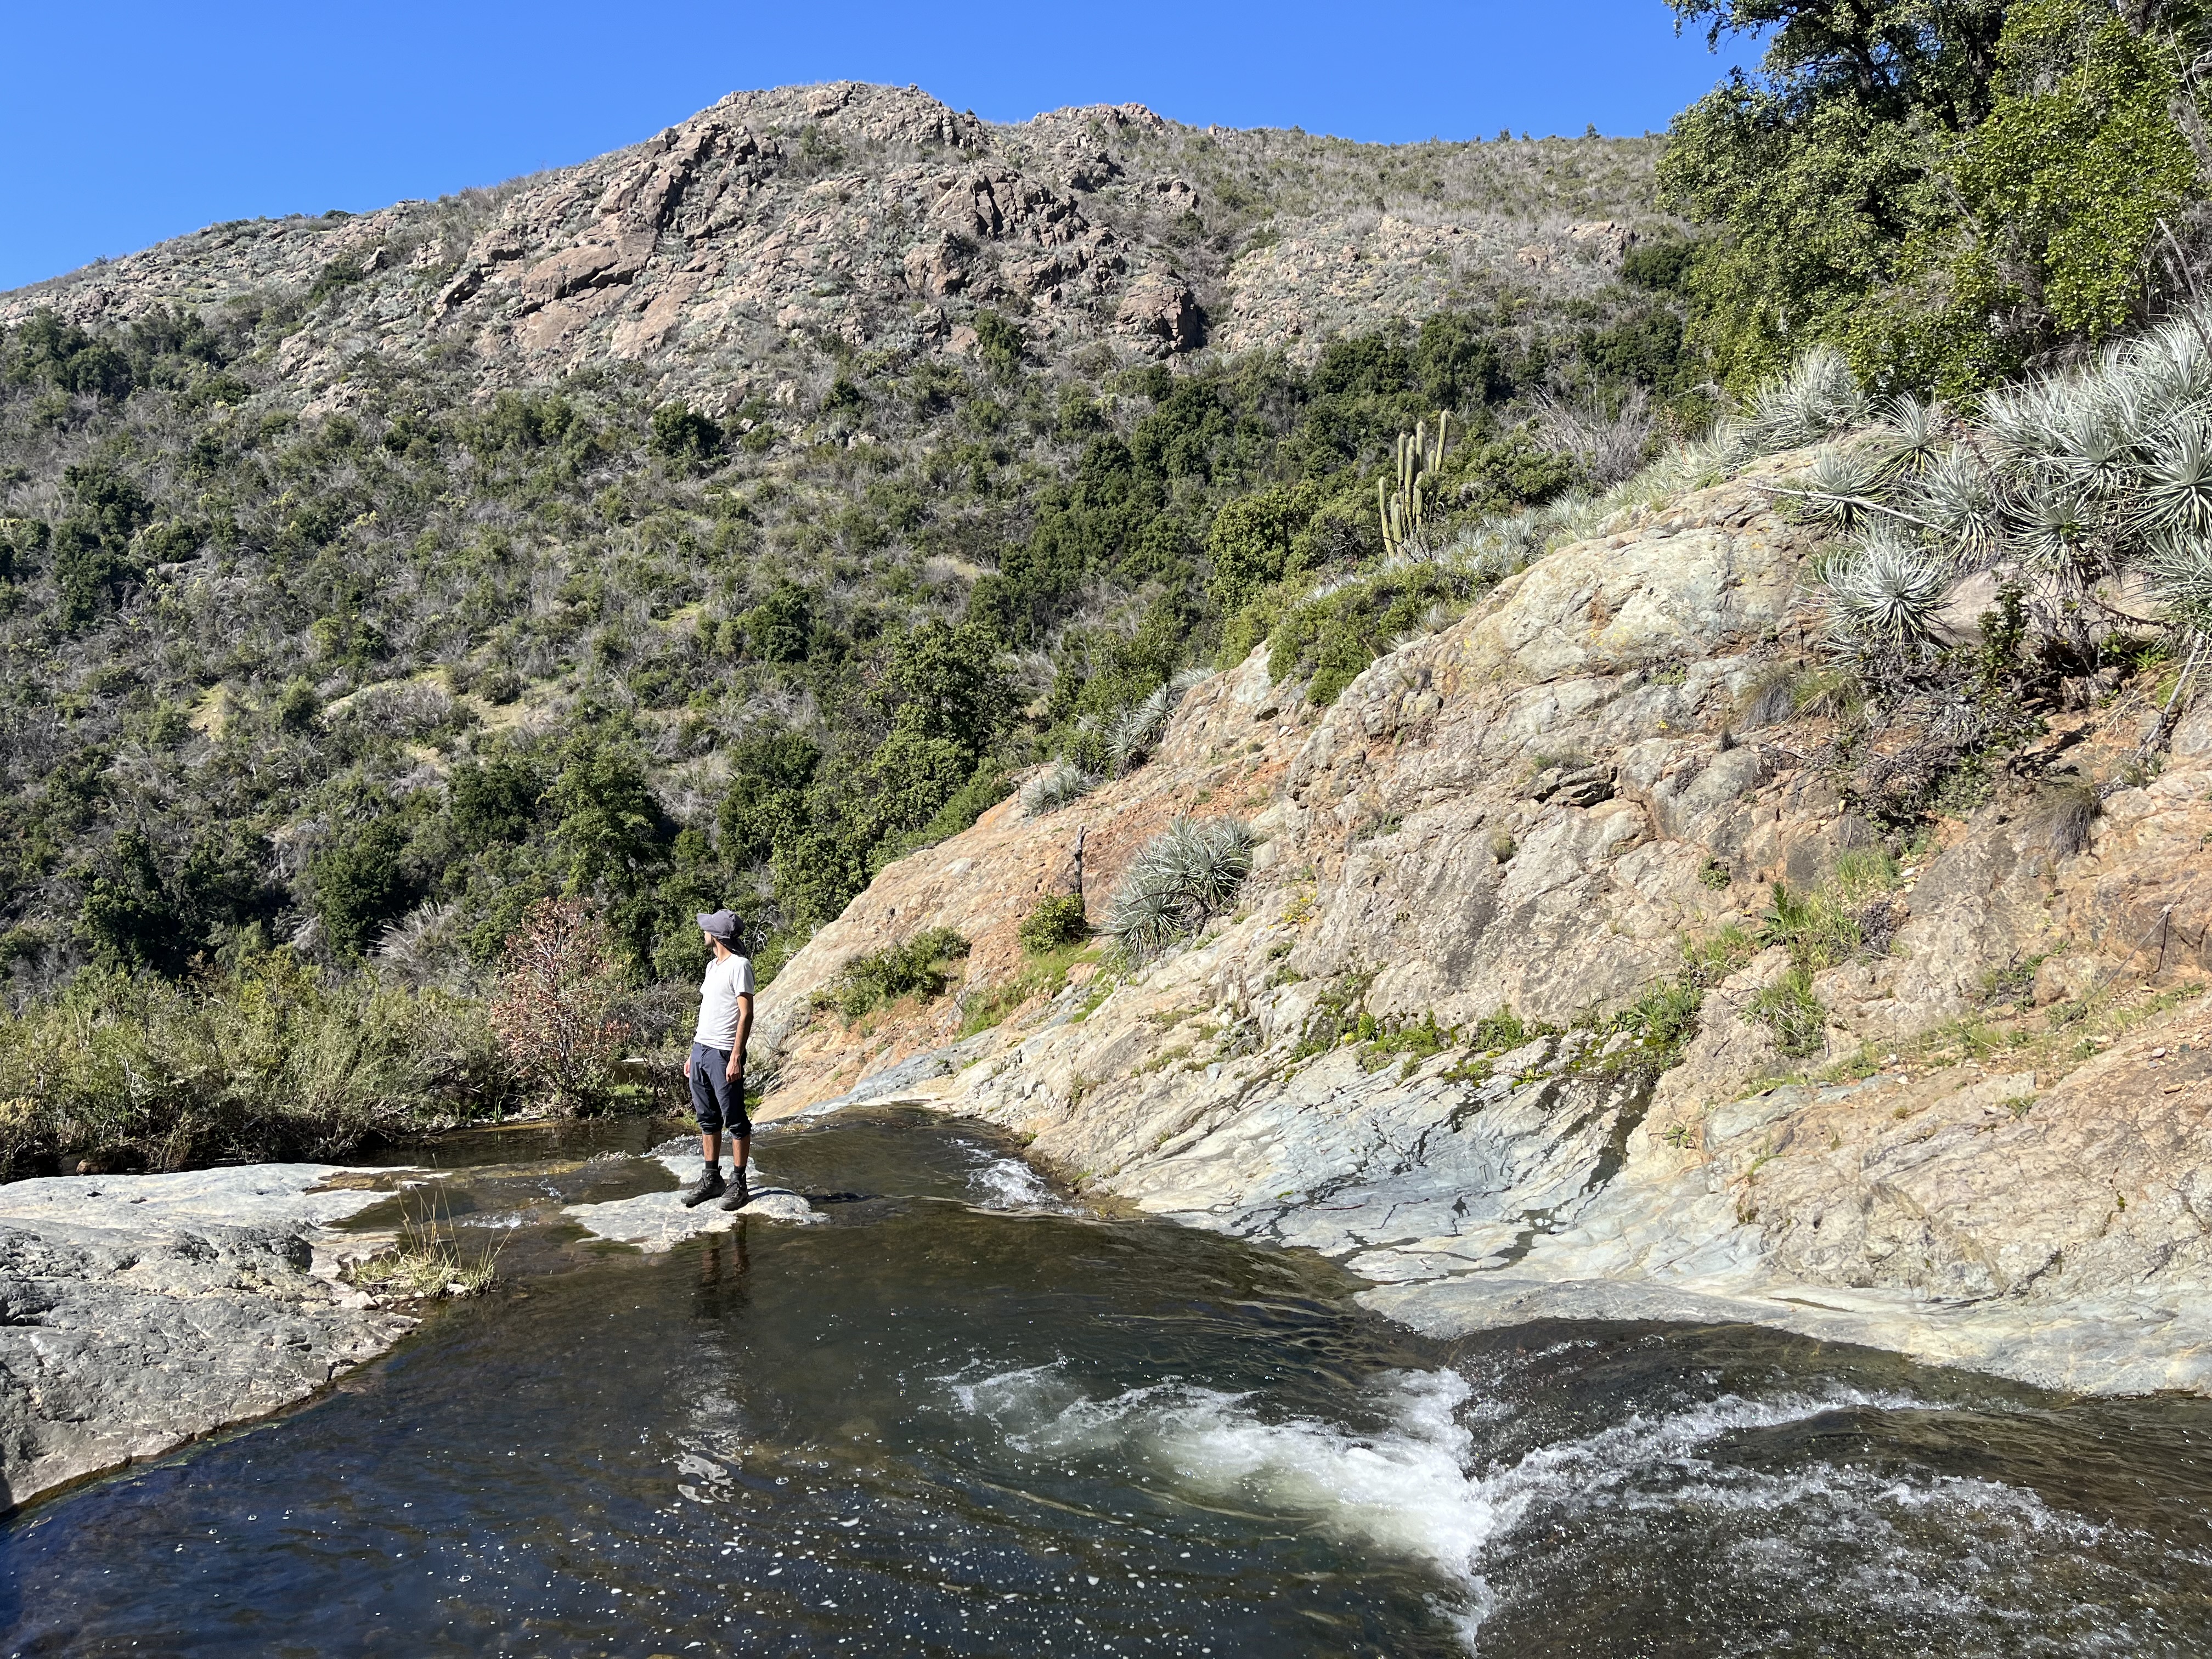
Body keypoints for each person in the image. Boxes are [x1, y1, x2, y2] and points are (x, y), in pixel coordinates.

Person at [680, 909, 755, 1210]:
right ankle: (712, 1179)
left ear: (719, 936)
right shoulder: (713, 966)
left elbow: (746, 1013)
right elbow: (708, 1012)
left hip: (724, 1053)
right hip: (702, 1051)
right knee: (707, 1119)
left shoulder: (740, 966)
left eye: (708, 928)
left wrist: (736, 1056)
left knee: (735, 1121)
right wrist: (693, 1052)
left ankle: (739, 1183)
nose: (704, 932)